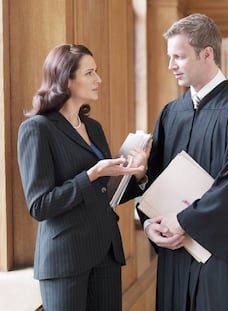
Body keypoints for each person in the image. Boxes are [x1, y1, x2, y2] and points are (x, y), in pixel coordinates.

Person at [137, 13, 228, 311]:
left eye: (179, 57)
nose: (170, 65)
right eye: (169, 56)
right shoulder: (172, 113)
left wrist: (184, 221)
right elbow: (155, 182)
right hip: (175, 251)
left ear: (207, 54)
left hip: (222, 256)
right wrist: (150, 224)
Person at [17, 44, 151, 311]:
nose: (98, 79)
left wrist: (137, 174)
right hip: (65, 260)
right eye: (89, 73)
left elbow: (105, 193)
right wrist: (91, 175)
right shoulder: (37, 129)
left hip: (106, 254)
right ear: (66, 80)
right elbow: (40, 205)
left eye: (97, 71)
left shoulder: (93, 127)